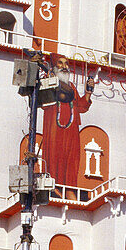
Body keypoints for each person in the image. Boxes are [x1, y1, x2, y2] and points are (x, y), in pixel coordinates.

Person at [41, 55, 94, 187]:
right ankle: (54, 188)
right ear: (53, 67)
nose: (64, 67)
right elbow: (43, 103)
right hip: (54, 128)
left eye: (66, 64)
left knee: (72, 159)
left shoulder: (71, 87)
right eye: (60, 63)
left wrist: (88, 92)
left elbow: (81, 107)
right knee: (53, 158)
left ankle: (69, 188)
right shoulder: (48, 82)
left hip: (71, 131)